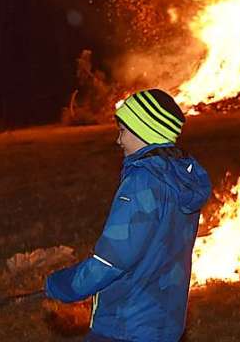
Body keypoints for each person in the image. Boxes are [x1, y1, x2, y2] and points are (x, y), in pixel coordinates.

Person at [45, 88, 211, 342]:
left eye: (123, 131)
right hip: (164, 323)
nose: (118, 140)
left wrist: (61, 285)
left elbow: (112, 260)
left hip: (126, 324)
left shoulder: (143, 183)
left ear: (145, 132)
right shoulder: (178, 181)